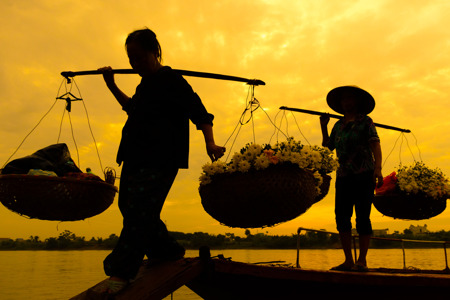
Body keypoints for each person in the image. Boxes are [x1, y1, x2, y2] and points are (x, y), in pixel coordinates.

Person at [98, 28, 226, 294]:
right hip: (134, 154)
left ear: (154, 52)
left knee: (140, 208)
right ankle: (167, 250)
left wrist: (210, 142)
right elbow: (132, 108)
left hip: (161, 157)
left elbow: (199, 111)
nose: (134, 65)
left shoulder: (172, 80)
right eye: (130, 60)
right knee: (129, 206)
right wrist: (111, 85)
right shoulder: (143, 86)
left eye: (139, 58)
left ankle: (121, 270)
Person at [320, 85, 383, 272]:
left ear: (356, 102)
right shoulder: (338, 125)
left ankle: (362, 260)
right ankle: (348, 260)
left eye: (350, 98)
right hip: (344, 176)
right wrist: (323, 126)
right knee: (342, 217)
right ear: (341, 104)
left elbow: (375, 145)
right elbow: (328, 147)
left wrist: (378, 169)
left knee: (363, 217)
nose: (347, 102)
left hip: (364, 174)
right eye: (344, 99)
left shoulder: (366, 122)